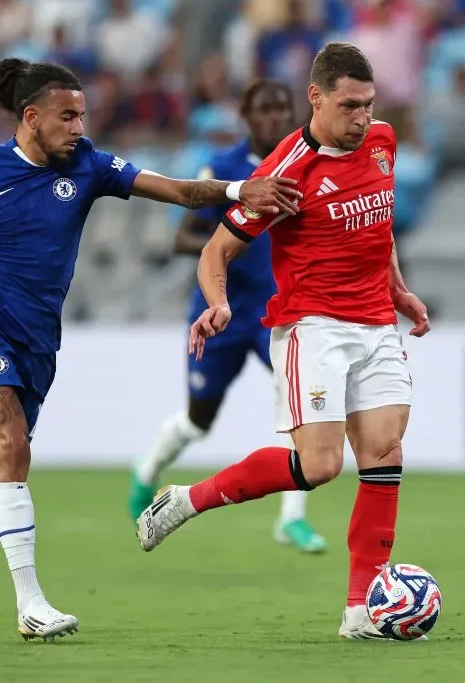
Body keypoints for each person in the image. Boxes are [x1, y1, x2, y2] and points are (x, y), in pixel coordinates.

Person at [0, 58, 299, 642]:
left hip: (38, 344)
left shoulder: (89, 165)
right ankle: (32, 605)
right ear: (31, 118)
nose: (80, 127)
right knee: (13, 445)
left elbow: (178, 190)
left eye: (83, 115)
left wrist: (238, 189)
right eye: (68, 116)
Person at [135, 43, 431, 641]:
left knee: (385, 453)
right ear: (316, 97)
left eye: (369, 105)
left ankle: (359, 612)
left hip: (376, 323)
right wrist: (218, 304)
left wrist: (398, 289)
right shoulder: (285, 174)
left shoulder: (382, 142)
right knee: (321, 466)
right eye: (349, 105)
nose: (361, 118)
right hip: (312, 326)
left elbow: (380, 224)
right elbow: (216, 251)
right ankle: (190, 498)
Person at [129, 80, 326, 554]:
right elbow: (182, 239)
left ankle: (291, 520)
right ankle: (147, 474)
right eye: (265, 110)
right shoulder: (222, 169)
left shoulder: (300, 164)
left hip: (273, 313)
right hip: (218, 313)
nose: (276, 117)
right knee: (199, 422)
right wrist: (233, 241)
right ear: (246, 115)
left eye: (282, 108)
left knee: (301, 407)